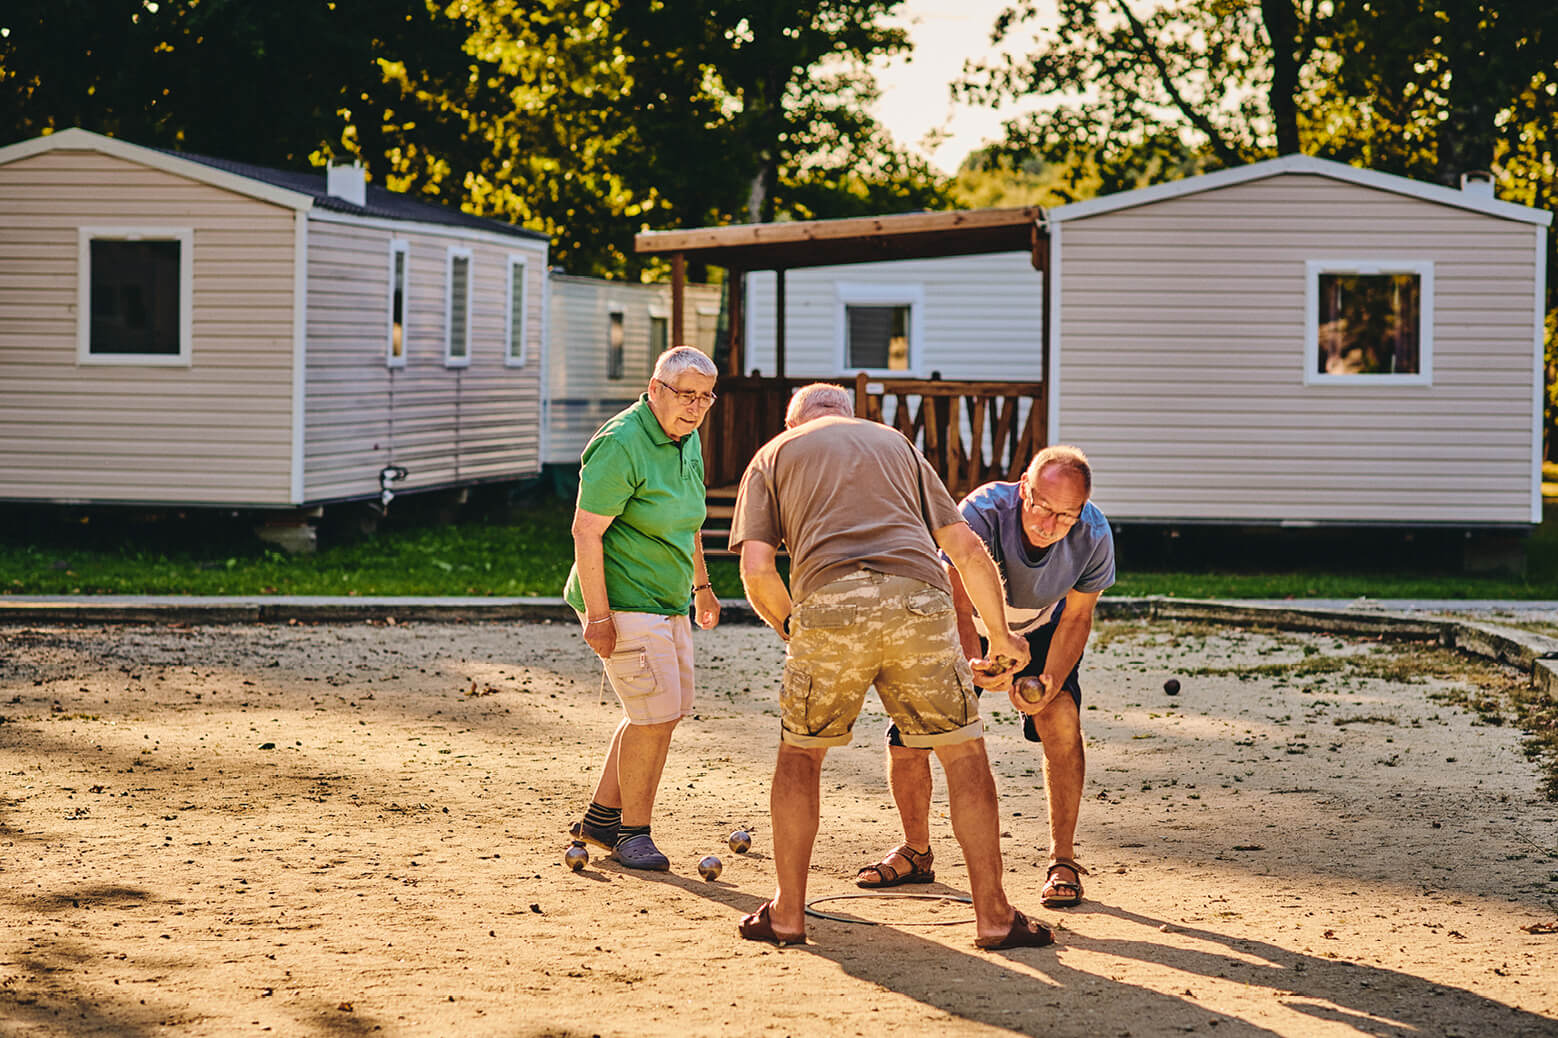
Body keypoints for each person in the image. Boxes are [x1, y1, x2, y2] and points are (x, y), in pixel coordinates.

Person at [729, 383, 1051, 949]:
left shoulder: (774, 455)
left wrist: (793, 627)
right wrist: (1002, 636)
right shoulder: (895, 443)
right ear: (851, 419)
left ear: (793, 424)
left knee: (801, 755)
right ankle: (995, 916)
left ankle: (787, 914)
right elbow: (966, 549)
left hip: (827, 602)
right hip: (919, 602)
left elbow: (757, 572)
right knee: (963, 751)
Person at [858, 445, 1114, 909]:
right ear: (1023, 489)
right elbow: (956, 600)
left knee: (1061, 720)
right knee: (912, 734)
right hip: (964, 620)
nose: (1048, 524)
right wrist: (975, 662)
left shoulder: (1093, 533)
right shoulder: (980, 512)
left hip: (1040, 627)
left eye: (1066, 516)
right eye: (1041, 506)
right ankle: (916, 850)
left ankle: (1063, 859)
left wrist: (1051, 679)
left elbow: (1077, 617)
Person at [563, 345, 722, 871]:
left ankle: (603, 818)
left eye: (705, 397)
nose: (696, 406)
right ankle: (634, 832)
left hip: (670, 597)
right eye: (685, 394)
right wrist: (600, 617)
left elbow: (689, 518)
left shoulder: (686, 437)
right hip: (624, 597)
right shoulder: (621, 441)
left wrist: (702, 586)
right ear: (655, 389)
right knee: (653, 717)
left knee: (660, 714)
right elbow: (586, 533)